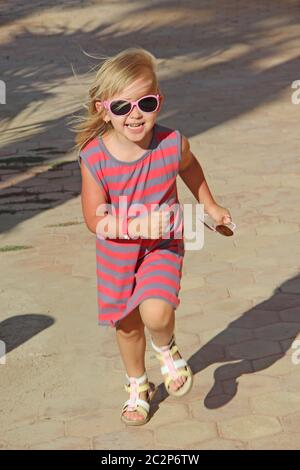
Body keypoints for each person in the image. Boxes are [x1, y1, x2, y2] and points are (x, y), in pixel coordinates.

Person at [75, 48, 232, 426]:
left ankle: (167, 348)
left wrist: (210, 207)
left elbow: (191, 169)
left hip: (162, 245)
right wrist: (133, 227)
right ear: (102, 109)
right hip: (116, 255)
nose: (135, 114)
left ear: (158, 101)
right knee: (127, 326)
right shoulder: (93, 157)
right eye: (122, 106)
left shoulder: (171, 144)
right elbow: (94, 221)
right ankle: (138, 385)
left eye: (145, 102)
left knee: (156, 311)